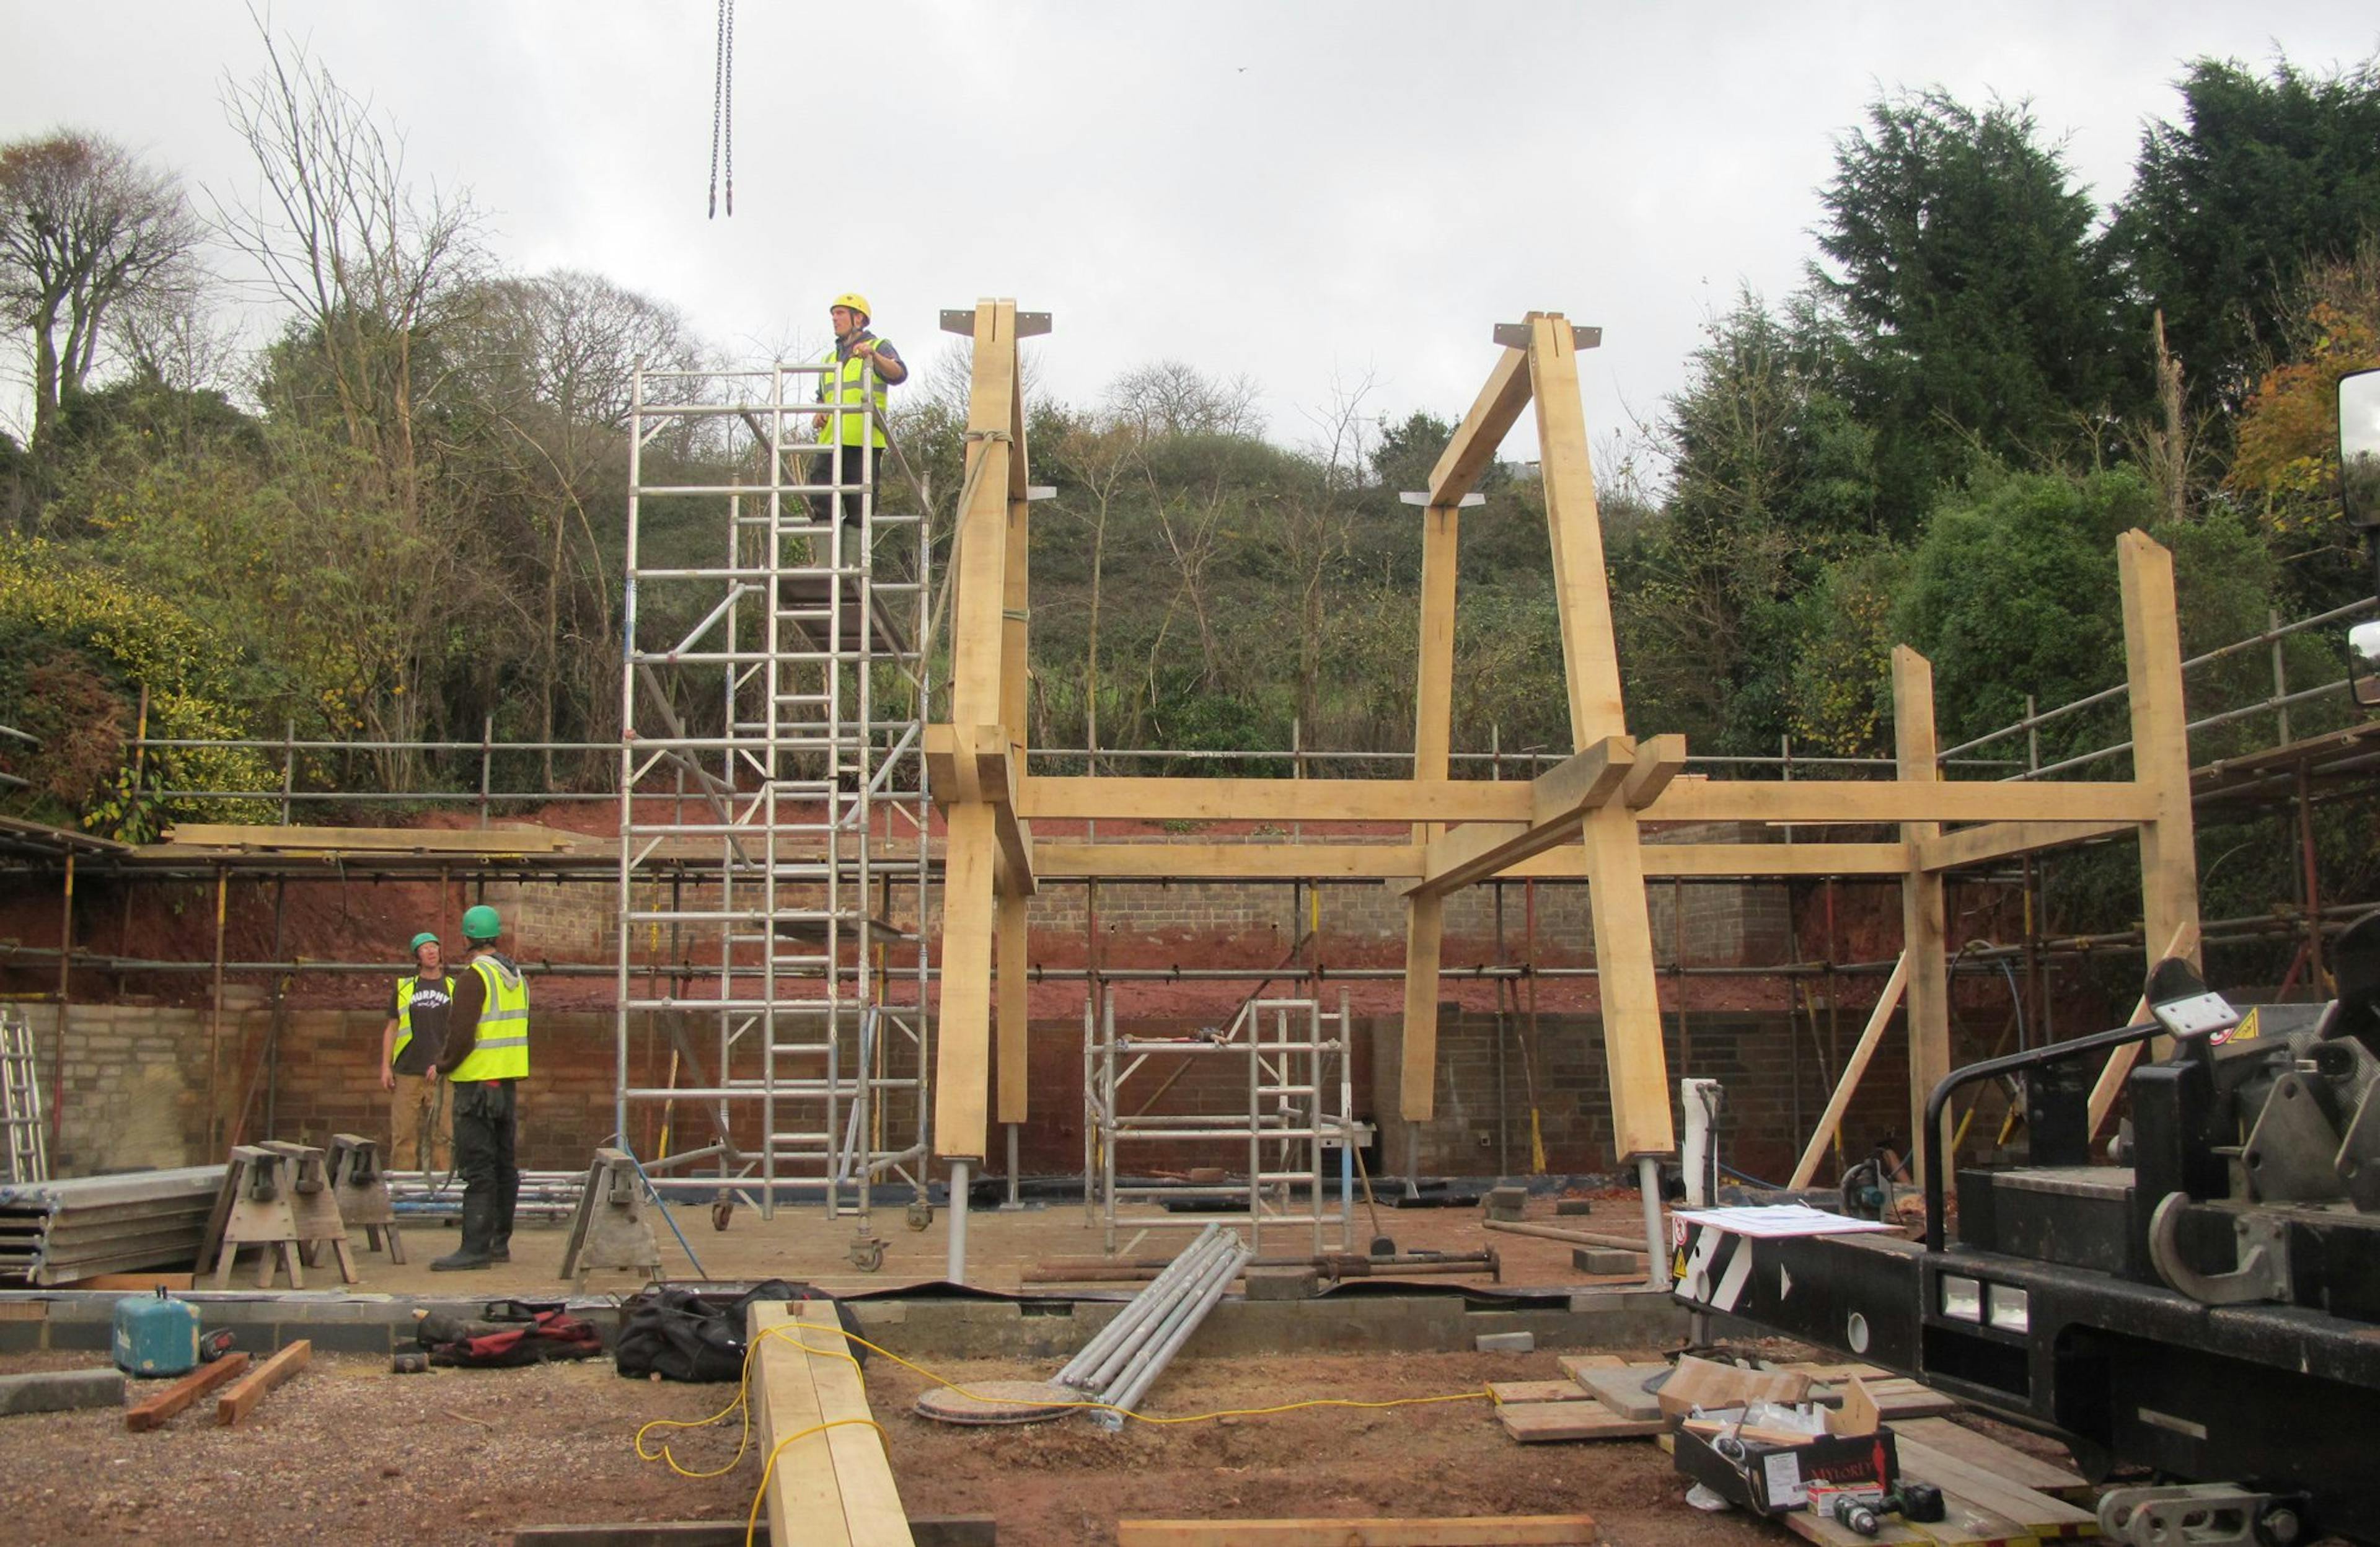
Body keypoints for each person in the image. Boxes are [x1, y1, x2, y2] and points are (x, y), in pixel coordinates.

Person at [429, 904, 529, 1271]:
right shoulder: (516, 977)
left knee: (479, 1168)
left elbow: (462, 1034)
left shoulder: (475, 977)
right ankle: (499, 1244)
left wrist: (443, 1065)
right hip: (505, 1084)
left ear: (468, 936)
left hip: (477, 1086)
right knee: (505, 1165)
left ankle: (475, 1249)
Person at [809, 291, 906, 527]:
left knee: (859, 511)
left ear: (858, 319)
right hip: (830, 443)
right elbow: (823, 397)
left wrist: (872, 356)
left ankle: (853, 563)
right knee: (821, 504)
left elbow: (899, 373)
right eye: (833, 314)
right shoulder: (828, 359)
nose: (835, 318)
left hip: (863, 442)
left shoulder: (879, 346)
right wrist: (819, 415)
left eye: (840, 313)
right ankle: (826, 562)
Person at [379, 931, 452, 1173]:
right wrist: (385, 1067)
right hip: (407, 1071)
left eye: (435, 947)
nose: (431, 951)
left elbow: (461, 1032)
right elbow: (392, 1028)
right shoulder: (404, 989)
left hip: (442, 1075)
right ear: (417, 956)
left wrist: (443, 1064)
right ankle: (402, 1192)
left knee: (442, 1138)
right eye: (425, 948)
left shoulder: (454, 987)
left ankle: (441, 1190)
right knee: (404, 1138)